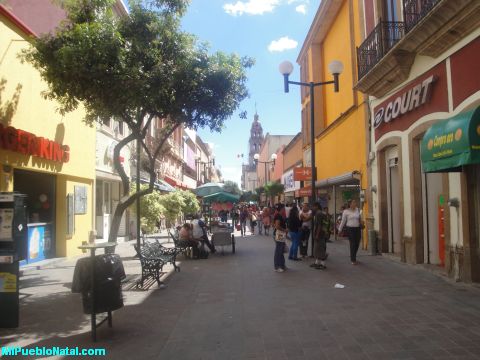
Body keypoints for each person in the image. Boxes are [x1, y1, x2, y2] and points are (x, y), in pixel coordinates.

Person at [338, 199, 363, 265]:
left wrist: (362, 222)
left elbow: (360, 218)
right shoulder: (346, 211)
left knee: (357, 243)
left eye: (355, 202)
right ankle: (353, 259)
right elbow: (343, 221)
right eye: (353, 202)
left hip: (357, 229)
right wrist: (339, 230)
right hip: (350, 229)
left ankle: (353, 255)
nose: (355, 203)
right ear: (350, 204)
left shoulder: (358, 210)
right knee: (352, 244)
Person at [310, 202, 328, 270]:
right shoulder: (320, 213)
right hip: (321, 233)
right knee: (317, 249)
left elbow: (320, 225)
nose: (312, 208)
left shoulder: (318, 214)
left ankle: (323, 264)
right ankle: (317, 263)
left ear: (316, 206)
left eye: (313, 206)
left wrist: (317, 234)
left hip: (320, 234)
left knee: (320, 249)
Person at [273, 205, 287, 272]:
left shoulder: (279, 215)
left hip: (281, 234)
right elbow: (277, 226)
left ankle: (282, 265)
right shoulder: (278, 216)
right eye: (283, 209)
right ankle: (277, 266)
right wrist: (284, 230)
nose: (284, 210)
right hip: (279, 234)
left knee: (281, 250)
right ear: (281, 209)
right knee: (278, 250)